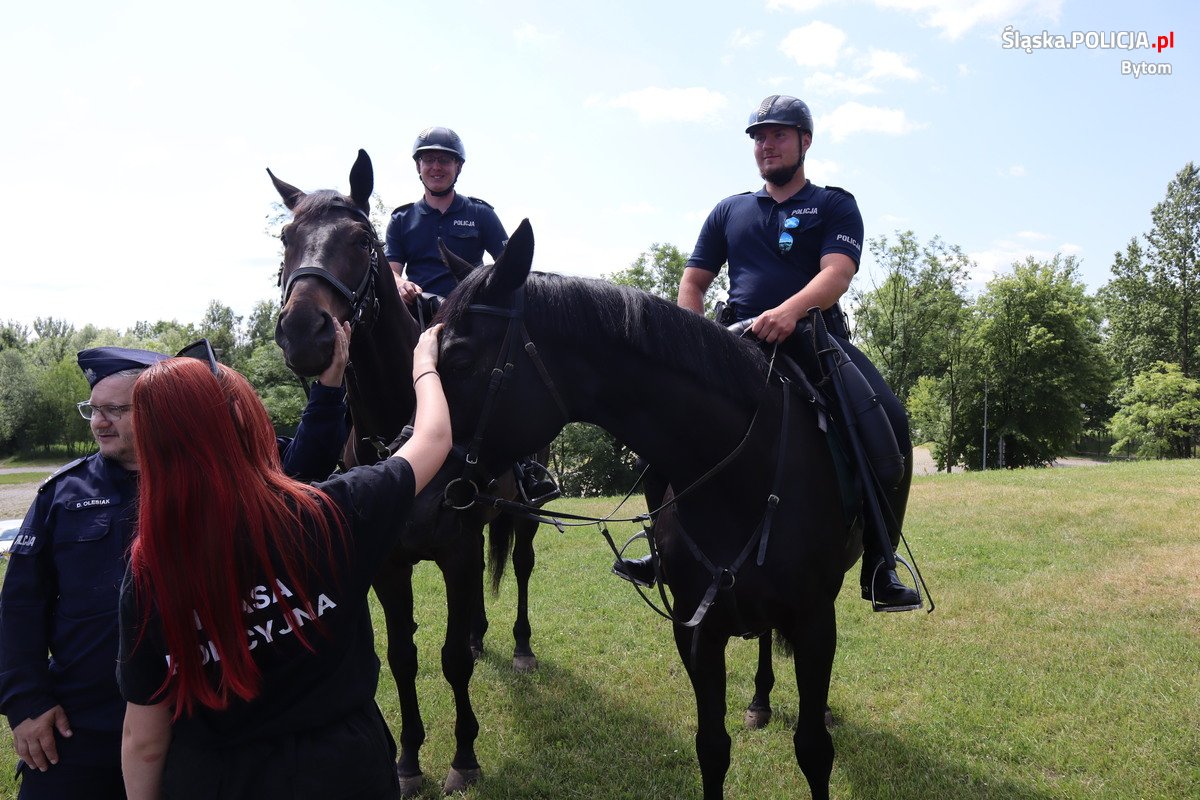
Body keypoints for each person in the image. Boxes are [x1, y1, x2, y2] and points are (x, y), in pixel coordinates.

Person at [0, 324, 353, 799]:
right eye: (93, 409)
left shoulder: (217, 483)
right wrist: (25, 702)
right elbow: (20, 606)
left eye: (115, 410)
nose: (99, 422)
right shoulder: (62, 495)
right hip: (81, 722)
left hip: (192, 719)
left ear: (155, 412)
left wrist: (329, 390)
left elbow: (302, 469)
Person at [117, 325, 450, 799]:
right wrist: (423, 364)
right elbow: (433, 439)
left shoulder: (148, 569)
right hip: (341, 772)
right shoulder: (330, 513)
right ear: (243, 420)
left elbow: (144, 739)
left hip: (214, 780)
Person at [614, 94, 920, 610]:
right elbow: (693, 281)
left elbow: (837, 274)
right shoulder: (729, 210)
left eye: (778, 134)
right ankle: (660, 550)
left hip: (816, 343)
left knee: (891, 424)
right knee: (661, 425)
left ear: (805, 140)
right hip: (732, 344)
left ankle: (880, 568)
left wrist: (791, 312)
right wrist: (690, 342)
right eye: (759, 137)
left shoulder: (833, 204)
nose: (767, 146)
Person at [386, 125, 558, 504]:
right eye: (429, 159)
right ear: (418, 167)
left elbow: (509, 266)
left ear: (458, 167)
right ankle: (357, 447)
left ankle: (526, 469)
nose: (436, 166)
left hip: (473, 318)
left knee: (513, 375)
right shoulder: (401, 220)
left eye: (444, 159)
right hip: (420, 315)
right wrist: (399, 283)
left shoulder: (479, 214)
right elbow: (392, 270)